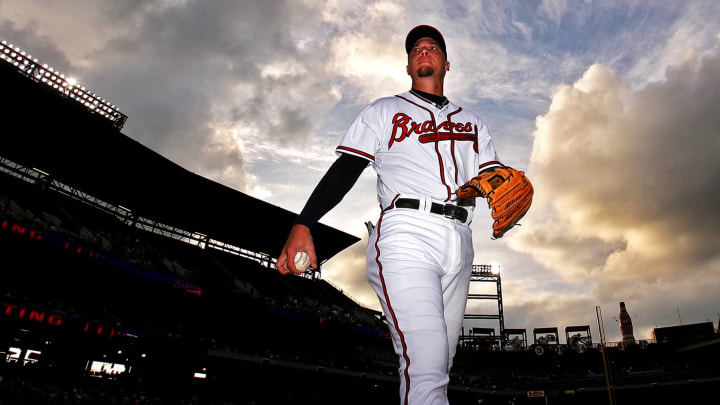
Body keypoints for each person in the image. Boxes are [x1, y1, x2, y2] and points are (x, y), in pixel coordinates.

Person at [276, 25, 504, 405]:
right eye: (416, 48)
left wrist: (509, 197)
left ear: (446, 64)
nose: (424, 51)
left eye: (432, 47)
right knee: (427, 366)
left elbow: (495, 181)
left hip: (462, 241)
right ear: (408, 65)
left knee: (437, 366)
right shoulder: (385, 110)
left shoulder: (475, 123)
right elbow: (346, 169)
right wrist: (304, 222)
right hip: (407, 232)